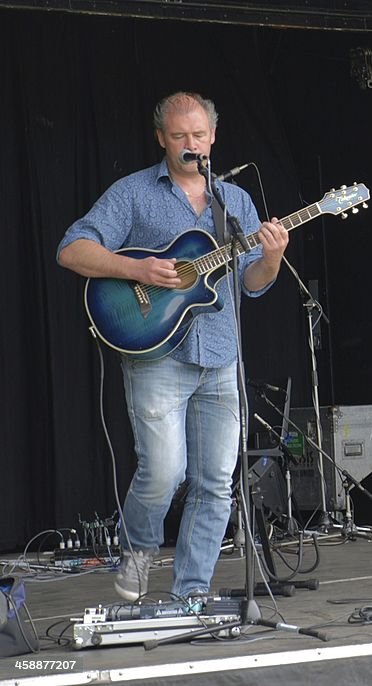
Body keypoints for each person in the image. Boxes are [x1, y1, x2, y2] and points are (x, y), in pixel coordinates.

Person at [57, 92, 289, 599]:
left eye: (199, 135)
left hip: (222, 357)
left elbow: (253, 282)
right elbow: (71, 248)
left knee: (214, 485)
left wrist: (271, 257)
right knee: (164, 474)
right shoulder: (134, 193)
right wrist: (135, 268)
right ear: (161, 138)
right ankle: (138, 548)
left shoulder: (238, 202)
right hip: (157, 354)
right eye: (180, 135)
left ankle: (190, 596)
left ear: (213, 138)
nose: (191, 144)